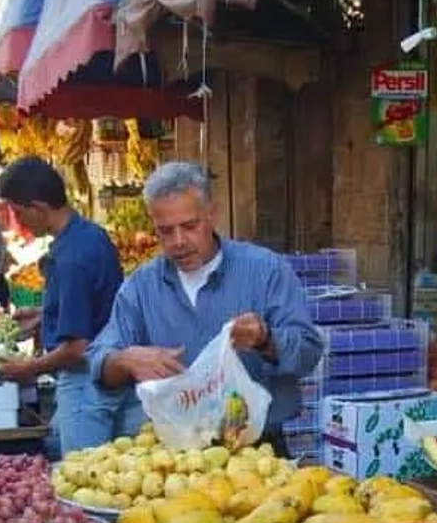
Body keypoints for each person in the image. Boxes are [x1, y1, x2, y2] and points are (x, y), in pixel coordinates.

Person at [86, 161, 324, 455]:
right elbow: (99, 362)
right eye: (165, 231)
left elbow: (309, 352)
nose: (178, 242)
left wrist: (265, 339)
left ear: (212, 214)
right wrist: (125, 360)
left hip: (259, 453)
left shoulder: (266, 271)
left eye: (189, 226)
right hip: (175, 457)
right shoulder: (141, 287)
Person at [0, 156, 127, 451]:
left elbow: (76, 348)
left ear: (38, 208)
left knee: (82, 470)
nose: (20, 222)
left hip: (85, 382)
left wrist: (28, 368)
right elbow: (97, 305)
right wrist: (45, 314)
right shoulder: (91, 235)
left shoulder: (70, 258)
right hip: (109, 371)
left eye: (19, 213)